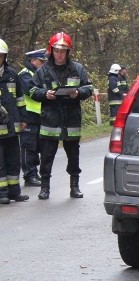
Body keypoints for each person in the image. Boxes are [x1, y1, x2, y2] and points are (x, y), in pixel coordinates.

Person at [30, 32, 94, 200]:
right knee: (46, 156)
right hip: (50, 120)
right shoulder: (42, 71)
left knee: (73, 156)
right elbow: (31, 90)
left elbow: (89, 88)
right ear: (51, 51)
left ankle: (75, 187)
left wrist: (78, 92)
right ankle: (45, 188)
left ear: (68, 52)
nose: (59, 54)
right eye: (57, 50)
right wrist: (45, 94)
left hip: (71, 119)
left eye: (63, 51)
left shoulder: (78, 69)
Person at [0, 39, 29, 204]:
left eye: (0, 56)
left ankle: (14, 192)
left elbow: (20, 99)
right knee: (0, 163)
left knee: (13, 160)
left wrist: (23, 118)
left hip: (12, 127)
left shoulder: (12, 74)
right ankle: (2, 193)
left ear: (5, 56)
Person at [18, 48, 46, 187]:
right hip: (27, 115)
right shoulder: (24, 74)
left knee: (36, 147)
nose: (43, 64)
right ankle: (29, 175)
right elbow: (30, 92)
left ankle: (34, 173)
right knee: (28, 146)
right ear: (33, 60)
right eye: (41, 61)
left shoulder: (37, 73)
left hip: (38, 115)